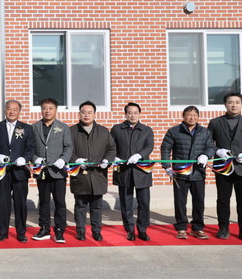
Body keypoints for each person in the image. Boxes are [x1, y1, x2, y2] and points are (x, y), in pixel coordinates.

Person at [160, 106, 215, 239]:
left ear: (198, 117)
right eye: (189, 115)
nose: (192, 118)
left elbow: (211, 147)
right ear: (183, 116)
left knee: (199, 201)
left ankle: (197, 228)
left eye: (194, 115)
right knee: (180, 201)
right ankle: (181, 227)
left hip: (198, 173)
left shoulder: (205, 132)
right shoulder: (174, 131)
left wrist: (206, 155)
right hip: (180, 173)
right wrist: (167, 166)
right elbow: (165, 148)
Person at [0, 99, 35, 242]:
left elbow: (31, 148)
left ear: (19, 112)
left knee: (20, 203)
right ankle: (3, 232)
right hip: (2, 171)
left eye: (15, 109)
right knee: (2, 203)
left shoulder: (27, 128)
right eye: (9, 108)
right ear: (5, 110)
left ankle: (21, 232)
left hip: (20, 172)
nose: (12, 112)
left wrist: (24, 158)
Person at [69, 101, 116, 241]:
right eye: (83, 112)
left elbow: (112, 149)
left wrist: (107, 160)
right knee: (80, 205)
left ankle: (96, 230)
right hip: (80, 175)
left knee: (97, 206)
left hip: (98, 175)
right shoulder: (72, 131)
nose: (86, 115)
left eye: (89, 112)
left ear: (94, 114)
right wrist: (76, 160)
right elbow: (66, 150)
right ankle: (80, 231)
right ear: (79, 114)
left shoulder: (103, 131)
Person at [110, 102, 154, 241]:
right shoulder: (117, 129)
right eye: (129, 112)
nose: (132, 115)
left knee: (144, 202)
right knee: (126, 203)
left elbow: (149, 146)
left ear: (139, 114)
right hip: (124, 171)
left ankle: (142, 229)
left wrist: (139, 155)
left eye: (135, 113)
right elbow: (111, 146)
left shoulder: (146, 130)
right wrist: (114, 156)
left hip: (142, 171)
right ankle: (129, 229)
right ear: (125, 114)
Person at [208, 91, 242, 241]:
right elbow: (207, 143)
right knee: (223, 199)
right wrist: (217, 150)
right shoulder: (215, 123)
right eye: (230, 102)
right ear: (225, 104)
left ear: (241, 104)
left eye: (237, 102)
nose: (234, 105)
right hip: (223, 167)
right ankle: (223, 228)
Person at [31, 98, 72, 244]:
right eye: (44, 108)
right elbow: (29, 147)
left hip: (58, 171)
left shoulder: (63, 127)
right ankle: (44, 229)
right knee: (43, 201)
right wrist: (35, 158)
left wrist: (63, 160)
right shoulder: (34, 127)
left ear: (56, 110)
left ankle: (60, 230)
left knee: (60, 202)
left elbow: (69, 147)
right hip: (42, 171)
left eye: (50, 108)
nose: (47, 111)